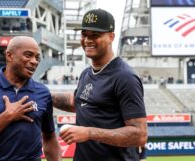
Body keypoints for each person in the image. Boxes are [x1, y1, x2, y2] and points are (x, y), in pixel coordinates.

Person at [51, 9, 147, 161]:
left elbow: (139, 135)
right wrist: (42, 95)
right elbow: (77, 102)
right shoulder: (86, 74)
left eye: (95, 35)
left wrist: (89, 133)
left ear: (111, 36)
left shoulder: (125, 77)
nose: (88, 40)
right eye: (84, 34)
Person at [0, 36, 61, 161]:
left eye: (37, 57)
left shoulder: (43, 92)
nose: (34, 61)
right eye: (28, 55)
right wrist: (7, 116)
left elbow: (50, 137)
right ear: (9, 56)